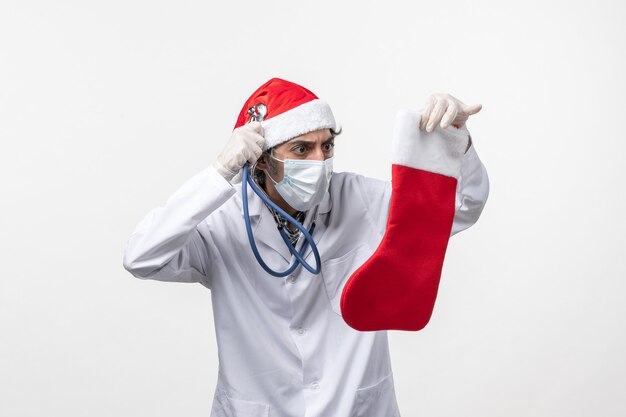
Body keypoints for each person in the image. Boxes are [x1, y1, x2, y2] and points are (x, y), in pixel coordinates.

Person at [122, 77, 489, 417]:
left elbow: (462, 207)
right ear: (261, 160)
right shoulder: (223, 219)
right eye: (301, 149)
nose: (320, 162)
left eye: (326, 146)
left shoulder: (357, 199)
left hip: (354, 406)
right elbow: (142, 257)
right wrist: (219, 171)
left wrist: (456, 139)